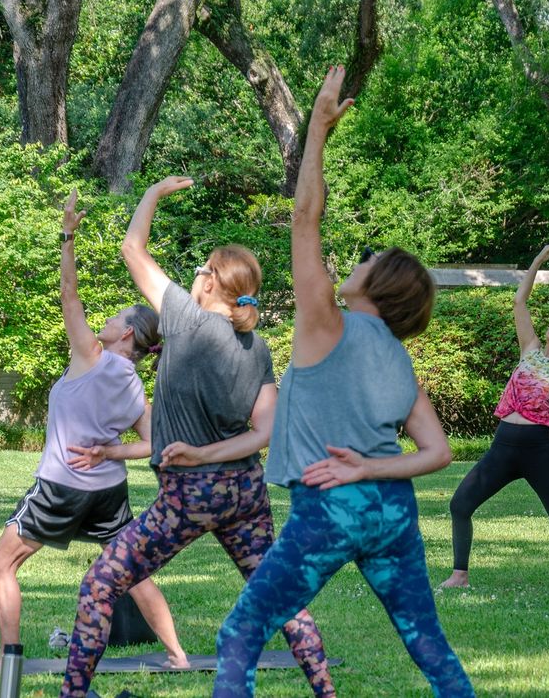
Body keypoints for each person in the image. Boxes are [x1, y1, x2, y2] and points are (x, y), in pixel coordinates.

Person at [212, 66, 474, 698]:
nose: (357, 262)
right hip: (390, 514)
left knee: (241, 635)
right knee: (428, 644)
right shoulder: (399, 361)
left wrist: (319, 131)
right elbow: (439, 453)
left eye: (369, 261)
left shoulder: (325, 323)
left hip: (327, 509)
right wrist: (369, 469)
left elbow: (305, 217)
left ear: (376, 286)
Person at [59, 180, 334, 698]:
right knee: (280, 597)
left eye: (203, 268)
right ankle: (327, 692)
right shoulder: (258, 347)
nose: (196, 273)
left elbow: (131, 248)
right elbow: (264, 433)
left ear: (210, 285)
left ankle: (72, 695)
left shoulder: (184, 318)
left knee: (100, 585)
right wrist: (211, 449)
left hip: (190, 495)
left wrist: (156, 193)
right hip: (244, 496)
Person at [0, 189, 187, 675]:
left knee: (2, 563)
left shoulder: (91, 354)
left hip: (62, 487)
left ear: (127, 333)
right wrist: (112, 451)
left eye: (115, 318)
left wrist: (68, 236)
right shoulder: (134, 388)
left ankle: (6, 663)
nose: (105, 321)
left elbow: (69, 293)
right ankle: (177, 654)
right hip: (107, 493)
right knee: (127, 571)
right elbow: (152, 444)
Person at [440, 240, 549, 591]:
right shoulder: (530, 350)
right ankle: (459, 575)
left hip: (538, 452)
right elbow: (519, 301)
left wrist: (547, 435)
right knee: (460, 504)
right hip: (503, 446)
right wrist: (538, 260)